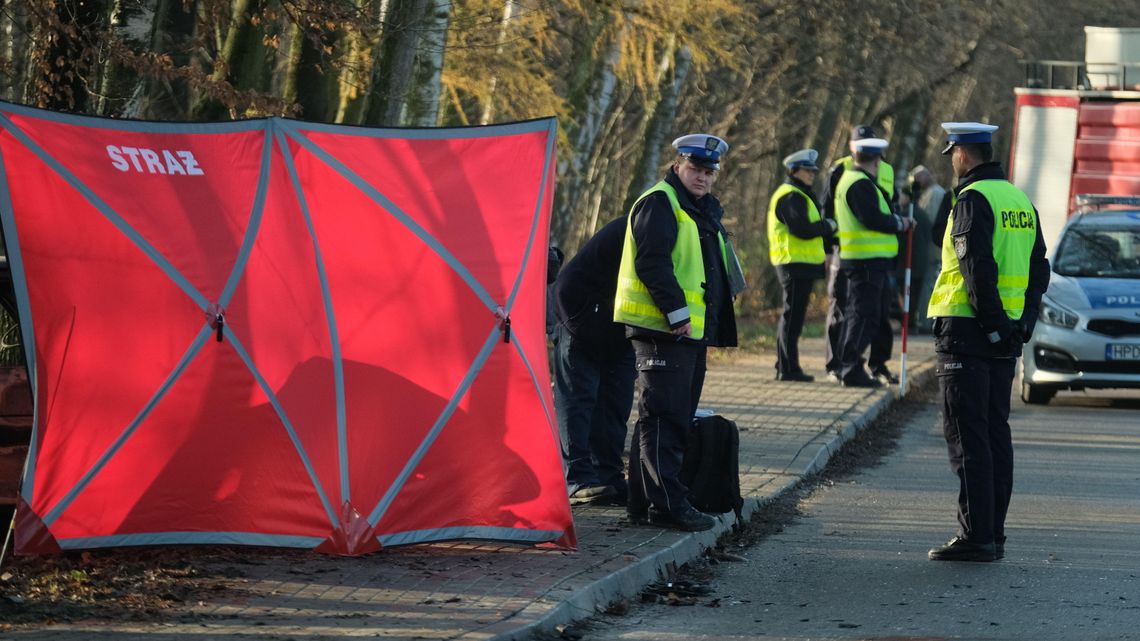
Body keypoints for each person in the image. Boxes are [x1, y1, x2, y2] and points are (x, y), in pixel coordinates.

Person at [926, 122, 1050, 563]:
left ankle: (976, 536)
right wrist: (1022, 324)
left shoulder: (972, 199)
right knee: (996, 433)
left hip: (967, 332)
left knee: (968, 435)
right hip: (1006, 333)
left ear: (962, 153)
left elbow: (977, 269)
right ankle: (992, 534)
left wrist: (995, 327)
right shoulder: (1019, 200)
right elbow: (1040, 267)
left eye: (952, 154)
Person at [615, 133, 742, 532]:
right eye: (695, 169)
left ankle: (643, 502)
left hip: (686, 333)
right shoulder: (660, 202)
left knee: (665, 418)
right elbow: (652, 262)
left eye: (709, 172)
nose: (702, 177)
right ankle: (668, 505)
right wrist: (676, 313)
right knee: (665, 420)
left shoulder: (697, 209)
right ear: (677, 166)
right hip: (664, 329)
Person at [551, 216, 636, 506]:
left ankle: (608, 477)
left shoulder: (690, 226)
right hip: (580, 316)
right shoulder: (651, 222)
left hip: (619, 325)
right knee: (578, 399)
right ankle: (576, 479)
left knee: (615, 403)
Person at [821, 125, 901, 385]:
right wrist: (899, 223)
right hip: (864, 259)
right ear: (876, 159)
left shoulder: (857, 178)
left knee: (867, 314)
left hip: (869, 259)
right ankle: (849, 368)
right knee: (860, 314)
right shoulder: (855, 181)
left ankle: (855, 366)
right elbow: (872, 218)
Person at [767, 148, 836, 382]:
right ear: (794, 171)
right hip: (793, 263)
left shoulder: (799, 194)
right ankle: (788, 368)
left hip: (800, 264)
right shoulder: (791, 196)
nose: (811, 175)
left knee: (793, 317)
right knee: (792, 317)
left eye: (813, 171)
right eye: (807, 171)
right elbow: (802, 229)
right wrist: (828, 226)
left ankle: (786, 365)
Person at [908, 165, 947, 332]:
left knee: (927, 285)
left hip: (932, 249)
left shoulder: (934, 194)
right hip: (930, 248)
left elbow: (930, 222)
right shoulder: (931, 193)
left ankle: (925, 321)